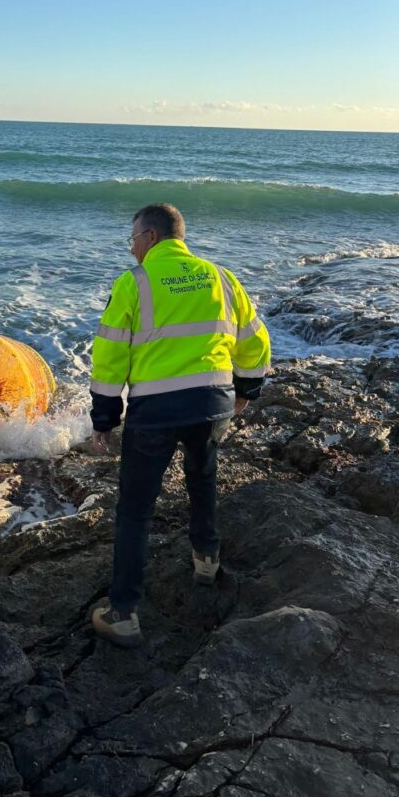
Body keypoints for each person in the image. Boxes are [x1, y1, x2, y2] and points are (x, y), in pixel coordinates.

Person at [89, 203, 271, 647]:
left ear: (150, 237)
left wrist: (105, 418)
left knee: (135, 508)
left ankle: (124, 612)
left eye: (132, 238)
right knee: (202, 477)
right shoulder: (222, 278)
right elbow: (254, 340)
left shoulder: (135, 283)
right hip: (213, 404)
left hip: (156, 411)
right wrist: (247, 391)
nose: (130, 248)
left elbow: (110, 357)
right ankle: (206, 560)